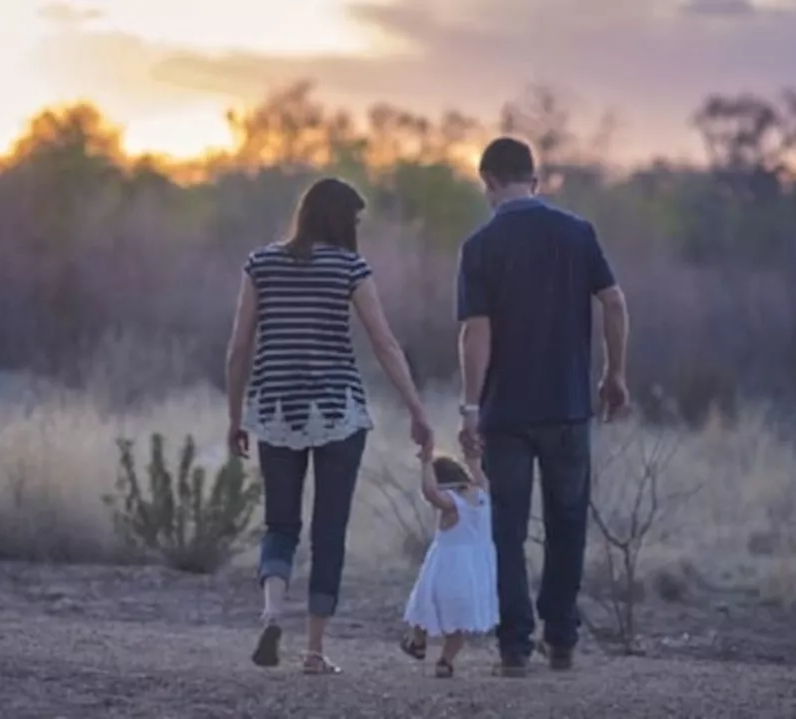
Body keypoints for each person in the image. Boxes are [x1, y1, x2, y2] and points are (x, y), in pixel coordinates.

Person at [224, 177, 434, 676]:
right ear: (341, 219)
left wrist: (235, 416)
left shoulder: (261, 263)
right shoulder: (350, 267)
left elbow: (238, 347)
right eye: (355, 220)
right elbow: (384, 344)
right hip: (338, 411)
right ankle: (314, 652)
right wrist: (417, 409)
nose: (358, 229)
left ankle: (273, 613)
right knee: (329, 528)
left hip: (275, 409)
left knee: (280, 523)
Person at [455, 137, 629, 677]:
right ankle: (561, 638)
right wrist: (613, 373)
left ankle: (514, 646)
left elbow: (475, 332)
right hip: (568, 406)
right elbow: (615, 301)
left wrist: (469, 406)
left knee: (506, 527)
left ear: (487, 181)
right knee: (567, 522)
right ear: (534, 178)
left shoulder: (480, 245)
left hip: (506, 411)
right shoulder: (577, 233)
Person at [398, 451, 499, 678]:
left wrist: (425, 463)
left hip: (447, 566)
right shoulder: (483, 494)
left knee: (424, 602)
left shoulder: (452, 504)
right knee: (459, 618)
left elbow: (430, 492)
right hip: (476, 569)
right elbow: (477, 471)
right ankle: (446, 660)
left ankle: (418, 642)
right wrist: (472, 455)